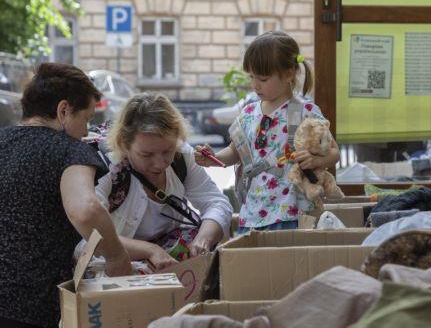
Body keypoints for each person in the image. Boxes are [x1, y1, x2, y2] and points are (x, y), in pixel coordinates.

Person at [0, 63, 132, 328]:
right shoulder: (70, 151)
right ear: (63, 110)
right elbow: (85, 210)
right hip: (31, 304)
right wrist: (117, 257)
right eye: (86, 118)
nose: (86, 131)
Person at [195, 31, 340, 233]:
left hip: (293, 213)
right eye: (252, 77)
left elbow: (334, 153)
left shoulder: (305, 112)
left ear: (289, 74)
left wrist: (316, 161)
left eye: (262, 78)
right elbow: (234, 152)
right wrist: (214, 158)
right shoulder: (247, 114)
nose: (255, 85)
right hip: (252, 214)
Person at [84, 93, 232, 271]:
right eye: (146, 155)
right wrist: (149, 251)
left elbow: (216, 202)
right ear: (124, 145)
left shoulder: (182, 156)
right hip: (118, 260)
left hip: (167, 252)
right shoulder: (103, 168)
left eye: (167, 151)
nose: (159, 163)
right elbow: (89, 237)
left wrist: (203, 240)